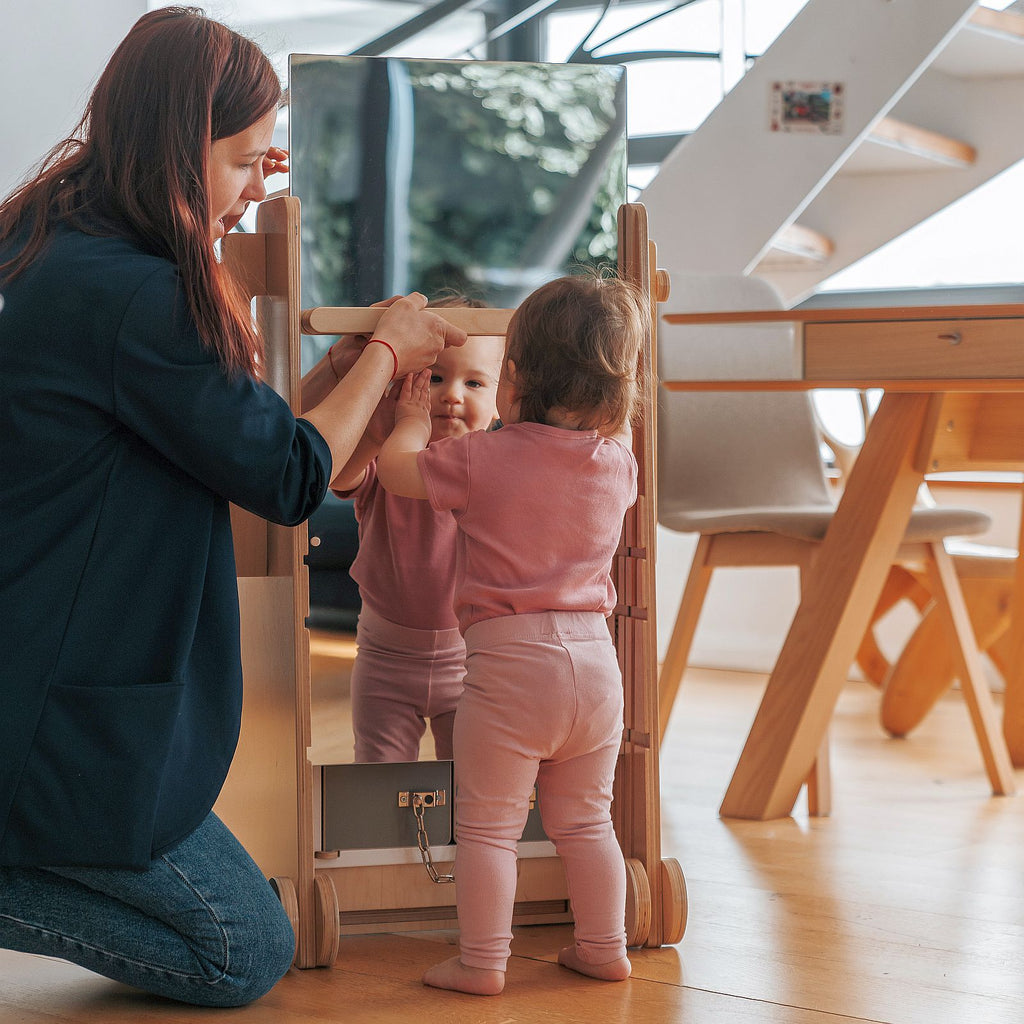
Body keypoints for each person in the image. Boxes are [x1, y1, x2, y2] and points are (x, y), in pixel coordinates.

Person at [0, 6, 464, 1009]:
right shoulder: (139, 294)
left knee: (247, 922)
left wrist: (342, 386)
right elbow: (292, 478)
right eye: (249, 161)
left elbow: (234, 440)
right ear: (181, 148)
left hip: (39, 672)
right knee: (243, 949)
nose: (261, 190)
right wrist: (386, 350)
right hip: (53, 712)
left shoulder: (46, 241)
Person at [376, 272, 646, 995]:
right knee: (587, 821)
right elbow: (604, 426)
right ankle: (604, 947)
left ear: (513, 380)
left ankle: (482, 964)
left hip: (511, 663)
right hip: (595, 663)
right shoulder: (618, 464)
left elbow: (397, 474)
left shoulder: (481, 459)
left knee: (490, 828)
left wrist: (408, 418)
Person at [324, 298, 505, 763]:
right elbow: (341, 476)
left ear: (502, 400)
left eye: (475, 382)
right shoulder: (389, 458)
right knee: (379, 779)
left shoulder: (500, 468)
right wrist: (379, 432)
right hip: (384, 657)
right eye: (436, 378)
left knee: (468, 779)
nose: (452, 395)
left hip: (472, 661)